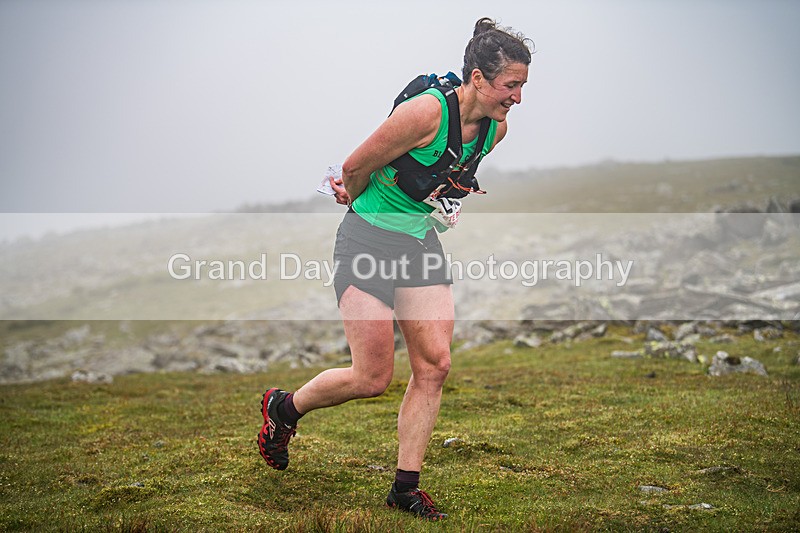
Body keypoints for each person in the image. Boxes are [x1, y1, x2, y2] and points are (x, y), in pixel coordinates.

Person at [258, 17, 533, 520]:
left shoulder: (496, 130)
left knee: (435, 364)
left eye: (521, 87)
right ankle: (284, 408)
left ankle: (405, 489)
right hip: (366, 240)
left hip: (419, 244)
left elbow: (444, 176)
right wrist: (357, 197)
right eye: (510, 85)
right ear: (477, 79)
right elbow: (356, 165)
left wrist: (447, 198)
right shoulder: (425, 113)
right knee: (372, 376)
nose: (517, 97)